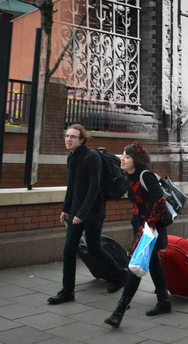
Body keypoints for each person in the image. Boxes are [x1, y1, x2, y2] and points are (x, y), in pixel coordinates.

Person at [48, 124, 127, 305]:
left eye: (73, 137)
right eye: (67, 136)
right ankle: (67, 291)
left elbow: (95, 188)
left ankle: (119, 275)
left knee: (94, 248)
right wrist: (66, 209)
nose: (68, 139)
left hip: (93, 211)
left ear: (81, 139)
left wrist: (82, 213)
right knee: (69, 250)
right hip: (77, 211)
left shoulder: (92, 157)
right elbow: (72, 186)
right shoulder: (71, 158)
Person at [105, 142, 170, 328]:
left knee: (135, 266)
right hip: (140, 226)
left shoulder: (145, 175)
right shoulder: (128, 176)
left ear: (136, 160)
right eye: (122, 155)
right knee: (153, 264)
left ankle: (119, 311)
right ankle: (164, 301)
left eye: (127, 156)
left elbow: (159, 203)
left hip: (152, 229)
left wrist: (148, 226)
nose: (122, 159)